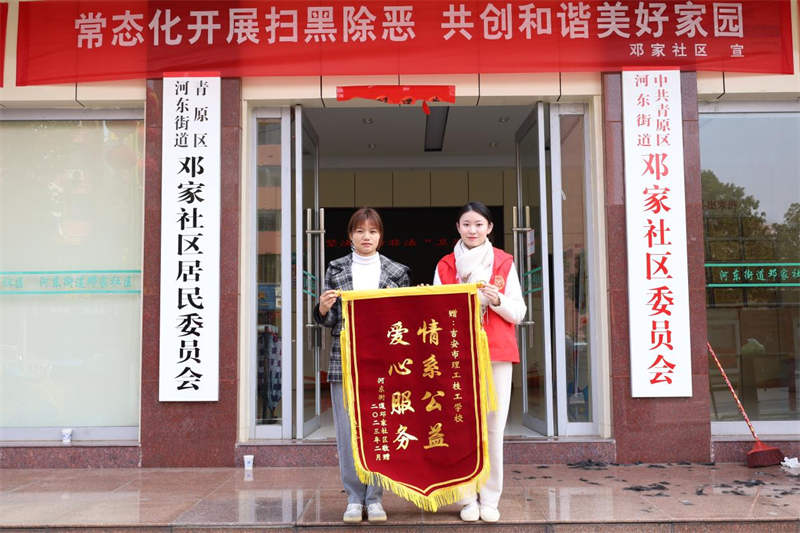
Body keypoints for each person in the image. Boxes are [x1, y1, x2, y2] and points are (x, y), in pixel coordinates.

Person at [314, 207, 411, 523]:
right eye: (359, 231)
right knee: (347, 432)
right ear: (350, 236)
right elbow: (328, 319)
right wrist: (322, 308)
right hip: (345, 360)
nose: (366, 236)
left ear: (380, 236)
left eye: (372, 231)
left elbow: (405, 320)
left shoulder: (397, 272)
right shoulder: (335, 269)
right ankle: (354, 498)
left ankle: (376, 497)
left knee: (380, 427)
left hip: (385, 363)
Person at [433, 201, 526, 523]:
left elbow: (518, 312)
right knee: (460, 427)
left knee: (493, 428)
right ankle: (465, 498)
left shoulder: (503, 262)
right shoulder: (446, 265)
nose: (472, 230)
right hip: (456, 355)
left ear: (489, 228)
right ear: (458, 228)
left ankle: (490, 497)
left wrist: (496, 300)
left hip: (497, 354)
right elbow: (436, 313)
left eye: (478, 224)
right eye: (466, 224)